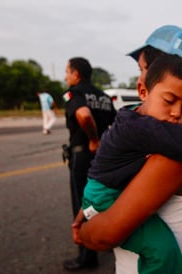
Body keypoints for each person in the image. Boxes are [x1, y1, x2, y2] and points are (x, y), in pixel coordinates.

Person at [72, 25, 182, 274]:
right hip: (104, 194)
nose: (140, 78)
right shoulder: (159, 122)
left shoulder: (179, 137)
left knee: (160, 249)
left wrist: (84, 233)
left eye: (144, 69)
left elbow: (104, 235)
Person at [62, 57, 117, 271]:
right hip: (103, 156)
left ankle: (87, 257)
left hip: (84, 154)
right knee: (100, 201)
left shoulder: (74, 93)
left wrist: (93, 139)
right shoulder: (103, 96)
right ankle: (106, 240)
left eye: (67, 72)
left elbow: (83, 115)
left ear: (76, 74)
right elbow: (115, 123)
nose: (65, 76)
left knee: (82, 204)